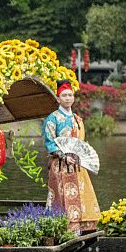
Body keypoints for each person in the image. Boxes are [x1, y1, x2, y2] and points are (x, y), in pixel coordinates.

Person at [42, 79, 100, 232]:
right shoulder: (52, 119)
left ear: (73, 97)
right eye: (64, 95)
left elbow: (81, 143)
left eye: (70, 95)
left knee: (81, 194)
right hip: (60, 165)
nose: (68, 98)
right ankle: (63, 229)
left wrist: (79, 157)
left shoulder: (77, 119)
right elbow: (49, 142)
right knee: (63, 197)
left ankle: (85, 227)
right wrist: (63, 155)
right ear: (58, 98)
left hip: (77, 165)